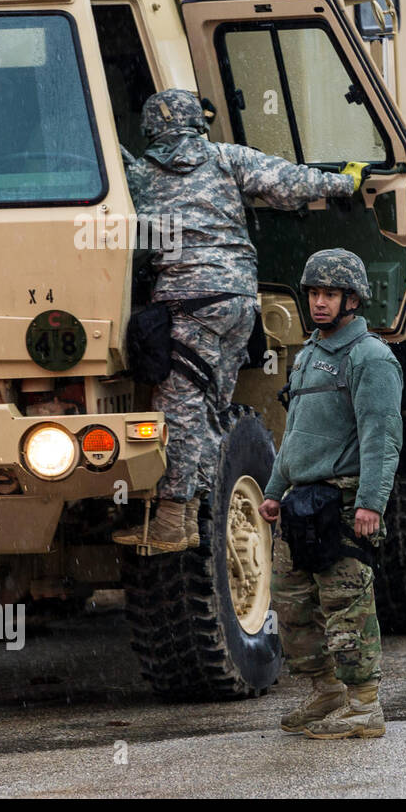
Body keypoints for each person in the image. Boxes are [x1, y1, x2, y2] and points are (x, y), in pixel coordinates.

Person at [112, 89, 362, 552]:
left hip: (189, 302)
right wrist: (343, 183)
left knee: (181, 412)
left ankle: (171, 517)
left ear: (150, 129)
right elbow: (289, 183)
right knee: (211, 409)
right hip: (239, 301)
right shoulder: (225, 158)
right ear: (197, 124)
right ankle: (188, 518)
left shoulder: (138, 174)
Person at [259, 248, 403, 740]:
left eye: (330, 294)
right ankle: (326, 693)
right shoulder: (308, 356)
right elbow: (293, 431)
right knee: (292, 604)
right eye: (314, 293)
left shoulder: (371, 358)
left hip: (341, 504)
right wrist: (275, 491)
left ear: (352, 300)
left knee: (347, 608)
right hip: (300, 504)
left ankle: (365, 706)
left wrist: (370, 504)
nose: (319, 303)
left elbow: (382, 437)